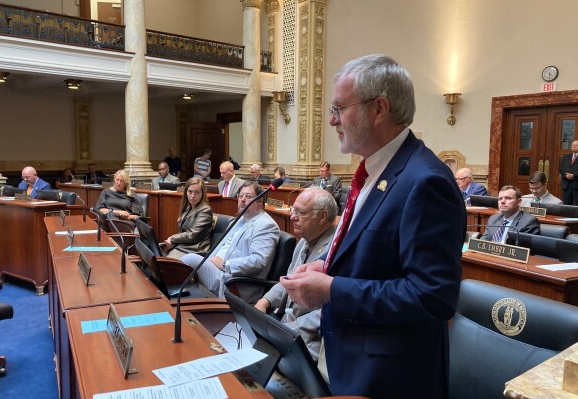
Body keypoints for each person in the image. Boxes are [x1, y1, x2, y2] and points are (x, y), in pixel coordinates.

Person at [279, 54, 466, 398]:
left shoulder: (426, 181)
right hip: (347, 359)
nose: (333, 121)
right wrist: (327, 266)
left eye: (339, 109)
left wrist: (332, 289)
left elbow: (433, 297)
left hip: (389, 379)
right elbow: (374, 259)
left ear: (379, 109)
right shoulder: (372, 170)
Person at [255, 188, 337, 362]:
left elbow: (334, 308)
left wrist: (294, 328)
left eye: (301, 212)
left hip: (312, 341)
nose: (293, 217)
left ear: (322, 217)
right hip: (286, 326)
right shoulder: (302, 242)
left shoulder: (335, 251)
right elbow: (288, 279)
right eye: (293, 210)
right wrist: (265, 301)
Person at [181, 182, 280, 303]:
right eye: (240, 196)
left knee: (189, 259)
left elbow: (258, 261)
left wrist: (225, 264)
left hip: (233, 282)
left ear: (260, 201)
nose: (242, 200)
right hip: (217, 270)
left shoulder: (266, 224)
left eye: (248, 197)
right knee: (181, 265)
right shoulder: (238, 220)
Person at [163, 177, 213, 259]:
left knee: (165, 266)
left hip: (195, 251)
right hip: (183, 247)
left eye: (197, 192)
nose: (192, 196)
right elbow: (183, 233)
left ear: (202, 193)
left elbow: (193, 235)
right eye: (190, 192)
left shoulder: (206, 210)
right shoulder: (188, 208)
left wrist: (172, 238)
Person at [559, 140, 578, 205]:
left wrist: (574, 175)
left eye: (576, 145)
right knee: (566, 205)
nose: (574, 146)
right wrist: (566, 175)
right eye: (573, 145)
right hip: (566, 185)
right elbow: (561, 168)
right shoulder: (566, 157)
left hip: (576, 184)